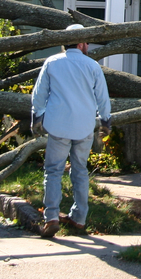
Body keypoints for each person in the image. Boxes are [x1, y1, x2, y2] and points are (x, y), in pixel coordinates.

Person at [31, 23, 111, 238]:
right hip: (84, 126)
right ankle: (79, 218)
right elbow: (102, 97)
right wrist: (105, 120)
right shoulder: (92, 66)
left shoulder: (52, 63)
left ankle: (52, 217)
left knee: (53, 171)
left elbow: (39, 94)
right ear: (81, 43)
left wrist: (36, 116)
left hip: (58, 125)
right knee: (80, 171)